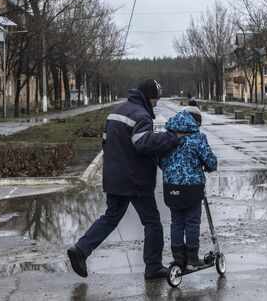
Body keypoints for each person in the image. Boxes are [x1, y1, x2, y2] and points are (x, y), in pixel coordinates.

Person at [67, 79, 184, 280]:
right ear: (149, 97)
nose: (156, 103)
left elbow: (105, 141)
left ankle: (81, 249)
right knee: (153, 222)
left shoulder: (118, 110)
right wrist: (172, 138)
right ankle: (153, 267)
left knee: (110, 217)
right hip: (135, 180)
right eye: (156, 99)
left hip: (115, 177)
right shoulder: (142, 116)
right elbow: (142, 142)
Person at [159, 101, 218, 271]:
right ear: (196, 122)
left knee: (176, 222)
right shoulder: (197, 137)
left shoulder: (168, 136)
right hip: (192, 187)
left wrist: (172, 172)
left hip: (171, 187)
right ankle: (192, 259)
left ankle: (178, 260)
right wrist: (207, 166)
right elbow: (211, 161)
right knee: (192, 222)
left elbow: (160, 159)